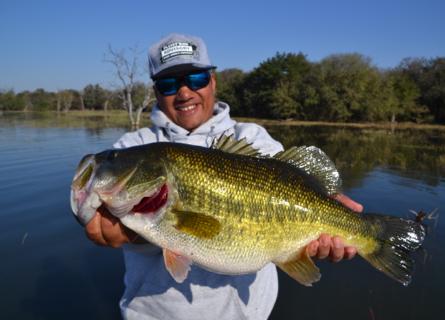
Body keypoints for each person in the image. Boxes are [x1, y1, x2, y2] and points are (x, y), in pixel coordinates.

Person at [85, 33, 363, 320]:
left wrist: (328, 227)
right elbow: (131, 221)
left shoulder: (253, 139)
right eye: (169, 84)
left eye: (196, 80)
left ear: (213, 81)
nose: (184, 93)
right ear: (155, 91)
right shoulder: (133, 148)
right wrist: (132, 235)